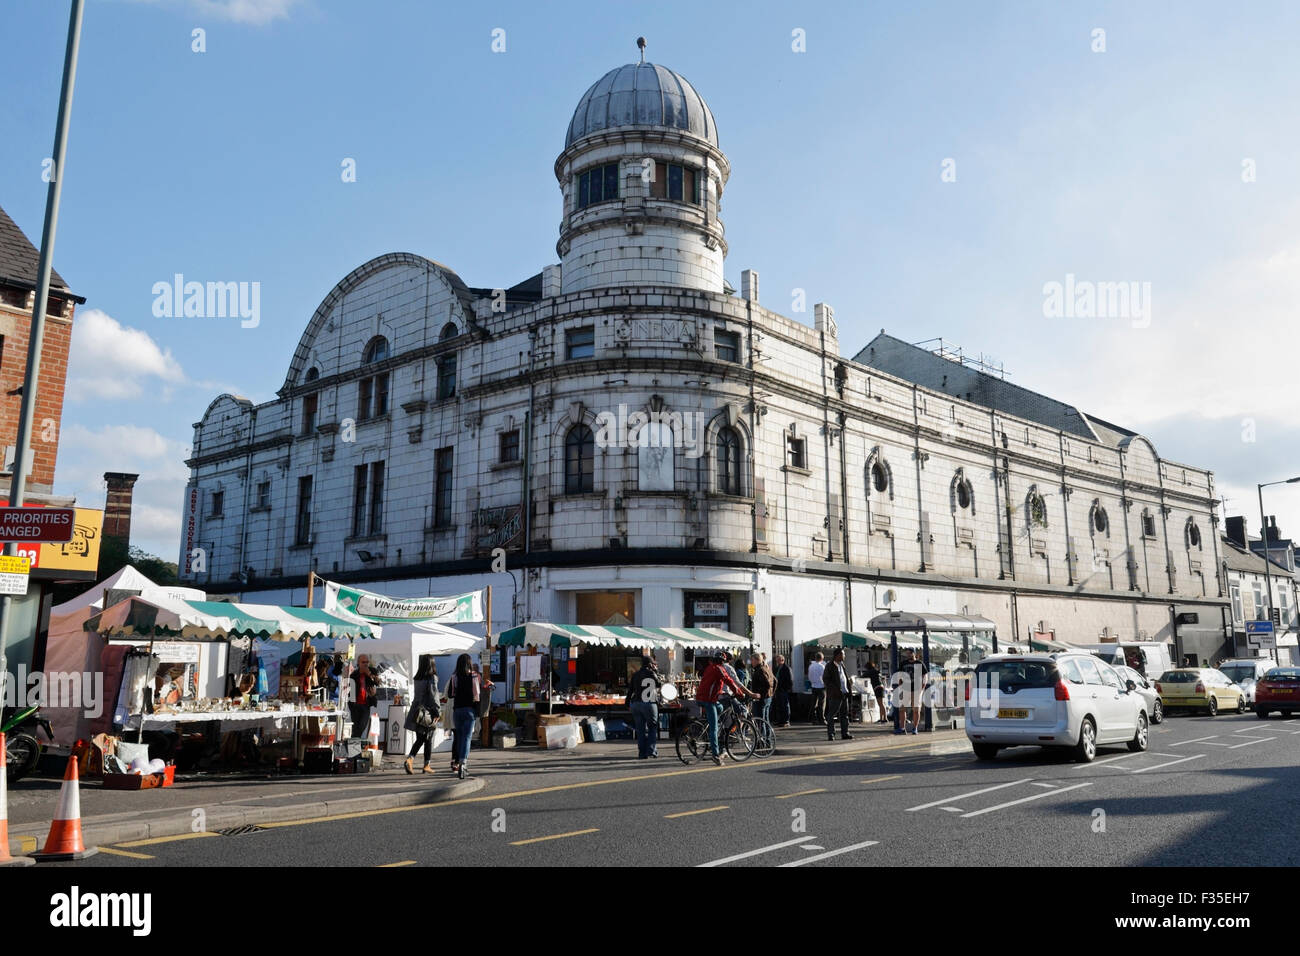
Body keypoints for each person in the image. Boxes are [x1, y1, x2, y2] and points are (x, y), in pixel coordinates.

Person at [694, 655, 757, 765]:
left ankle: (711, 724)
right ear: (722, 661)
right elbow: (729, 681)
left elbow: (713, 683)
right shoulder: (719, 669)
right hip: (708, 700)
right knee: (714, 728)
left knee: (720, 708)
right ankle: (715, 755)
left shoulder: (709, 667)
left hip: (704, 698)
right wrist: (739, 693)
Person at [444, 653, 492, 776]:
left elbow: (450, 695)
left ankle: (458, 763)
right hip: (469, 710)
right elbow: (479, 694)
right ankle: (463, 764)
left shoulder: (454, 677)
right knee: (467, 738)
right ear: (469, 663)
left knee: (459, 737)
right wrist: (487, 686)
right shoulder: (475, 676)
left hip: (457, 711)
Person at [403, 655, 440, 774]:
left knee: (421, 738)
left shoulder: (417, 678)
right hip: (427, 712)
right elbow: (434, 696)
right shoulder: (432, 678)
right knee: (428, 737)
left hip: (416, 710)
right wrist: (437, 711)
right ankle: (421, 763)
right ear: (431, 664)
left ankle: (415, 761)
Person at [627, 655, 662, 759]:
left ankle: (642, 753)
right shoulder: (652, 673)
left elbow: (630, 690)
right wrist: (656, 671)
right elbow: (659, 684)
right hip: (649, 703)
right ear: (650, 664)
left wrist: (627, 702)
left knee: (640, 729)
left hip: (636, 703)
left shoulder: (636, 674)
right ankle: (651, 751)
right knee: (652, 727)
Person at [341, 654, 377, 740]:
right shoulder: (354, 674)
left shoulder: (372, 671)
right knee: (356, 727)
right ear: (358, 663)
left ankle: (354, 744)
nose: (366, 664)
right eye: (363, 662)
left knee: (362, 726)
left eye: (367, 662)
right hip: (355, 705)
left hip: (366, 704)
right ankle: (355, 748)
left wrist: (369, 675)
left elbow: (378, 682)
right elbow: (347, 685)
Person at [823, 649, 854, 741]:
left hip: (844, 694)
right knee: (831, 715)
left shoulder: (841, 665)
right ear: (837, 655)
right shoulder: (830, 666)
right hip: (835, 695)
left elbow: (844, 678)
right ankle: (831, 734)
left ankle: (845, 733)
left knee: (844, 715)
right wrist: (835, 690)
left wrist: (848, 689)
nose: (844, 656)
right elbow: (826, 679)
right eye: (843, 654)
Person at [749, 653, 775, 726]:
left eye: (752, 660)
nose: (751, 662)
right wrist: (771, 693)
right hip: (767, 698)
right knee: (765, 720)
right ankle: (767, 737)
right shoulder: (766, 668)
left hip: (762, 699)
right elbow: (775, 681)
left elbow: (768, 684)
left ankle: (763, 737)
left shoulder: (760, 670)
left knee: (761, 721)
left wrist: (762, 695)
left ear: (757, 660)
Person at [772, 654, 794, 727]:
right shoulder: (777, 668)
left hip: (783, 689)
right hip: (777, 689)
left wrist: (787, 688)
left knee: (785, 705)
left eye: (778, 660)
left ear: (782, 660)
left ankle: (786, 721)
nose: (777, 661)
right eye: (776, 660)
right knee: (779, 705)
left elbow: (790, 679)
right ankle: (780, 720)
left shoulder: (787, 668)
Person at [807, 652, 826, 724]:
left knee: (814, 704)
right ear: (822, 658)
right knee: (821, 704)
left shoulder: (811, 666)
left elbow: (809, 676)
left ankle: (814, 719)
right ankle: (822, 719)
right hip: (821, 686)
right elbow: (824, 677)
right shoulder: (822, 667)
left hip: (814, 686)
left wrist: (813, 682)